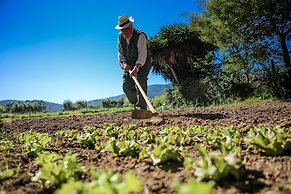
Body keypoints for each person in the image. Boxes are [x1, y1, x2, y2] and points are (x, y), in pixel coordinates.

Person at [115, 15, 151, 110]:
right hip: (129, 65)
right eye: (122, 30)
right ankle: (137, 102)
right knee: (126, 86)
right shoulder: (120, 37)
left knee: (140, 81)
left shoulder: (140, 35)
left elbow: (142, 54)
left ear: (131, 26)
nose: (125, 32)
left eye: (126, 29)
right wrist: (124, 64)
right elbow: (120, 53)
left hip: (142, 63)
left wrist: (137, 68)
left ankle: (141, 108)